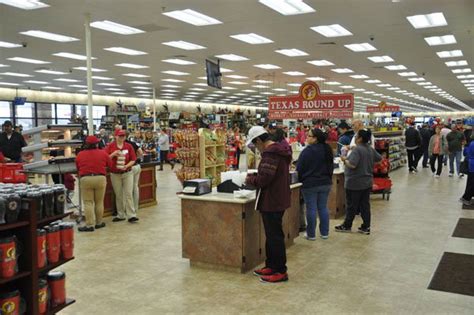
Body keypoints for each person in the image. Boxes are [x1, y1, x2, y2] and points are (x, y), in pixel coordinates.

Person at [245, 126, 292, 283]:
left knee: (275, 237)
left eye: (254, 144)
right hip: (277, 198)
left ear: (259, 140)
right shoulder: (279, 151)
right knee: (272, 236)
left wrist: (249, 180)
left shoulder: (271, 154)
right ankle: (271, 265)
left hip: (272, 200)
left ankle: (280, 271)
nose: (255, 148)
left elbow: (264, 179)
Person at [335, 130, 382, 235]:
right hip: (367, 182)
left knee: (351, 205)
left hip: (354, 182)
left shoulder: (357, 150)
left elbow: (352, 165)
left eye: (356, 136)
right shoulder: (369, 149)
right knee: (365, 205)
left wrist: (344, 159)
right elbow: (379, 159)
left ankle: (347, 225)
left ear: (360, 138)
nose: (355, 138)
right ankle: (366, 226)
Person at [296, 128, 334, 240]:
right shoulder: (327, 149)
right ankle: (324, 233)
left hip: (310, 184)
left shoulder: (307, 151)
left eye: (309, 136)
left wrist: (301, 179)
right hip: (325, 182)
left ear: (315, 138)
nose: (306, 138)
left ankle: (311, 234)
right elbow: (330, 166)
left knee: (311, 208)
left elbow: (300, 168)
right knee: (323, 207)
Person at [75, 136, 112, 232]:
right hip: (100, 178)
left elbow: (77, 168)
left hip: (86, 179)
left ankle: (90, 225)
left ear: (86, 144)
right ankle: (99, 223)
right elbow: (110, 165)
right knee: (99, 202)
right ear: (97, 144)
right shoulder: (103, 153)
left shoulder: (80, 154)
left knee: (88, 202)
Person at [105, 129, 138, 223]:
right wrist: (113, 154)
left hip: (127, 173)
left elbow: (133, 159)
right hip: (115, 174)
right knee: (118, 194)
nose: (122, 137)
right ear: (115, 136)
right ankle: (120, 214)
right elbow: (105, 158)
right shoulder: (110, 146)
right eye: (120, 136)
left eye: (123, 136)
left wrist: (127, 166)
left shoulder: (129, 146)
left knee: (128, 194)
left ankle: (131, 215)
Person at [127, 134, 144, 213]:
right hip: (137, 166)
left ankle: (129, 209)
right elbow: (140, 152)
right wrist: (138, 158)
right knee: (135, 187)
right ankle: (136, 207)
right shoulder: (133, 143)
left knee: (128, 189)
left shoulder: (122, 145)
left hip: (130, 167)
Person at [460, 134, 474, 205]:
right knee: (472, 184)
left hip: (471, 165)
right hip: (473, 165)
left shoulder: (471, 143)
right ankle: (466, 198)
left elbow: (466, 153)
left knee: (470, 183)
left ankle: (466, 197)